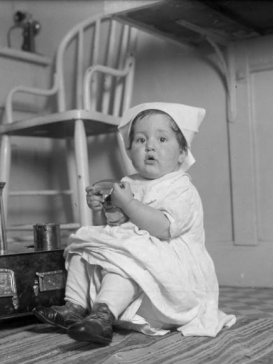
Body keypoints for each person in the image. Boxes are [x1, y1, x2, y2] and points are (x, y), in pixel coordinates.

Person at [33, 102, 236, 346]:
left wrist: (127, 203)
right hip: (142, 254)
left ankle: (103, 315)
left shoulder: (181, 187)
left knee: (127, 260)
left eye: (162, 139)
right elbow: (119, 223)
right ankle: (74, 306)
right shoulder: (129, 181)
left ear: (182, 152)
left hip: (173, 272)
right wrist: (106, 205)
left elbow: (163, 228)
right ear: (129, 152)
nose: (150, 146)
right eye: (140, 140)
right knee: (85, 246)